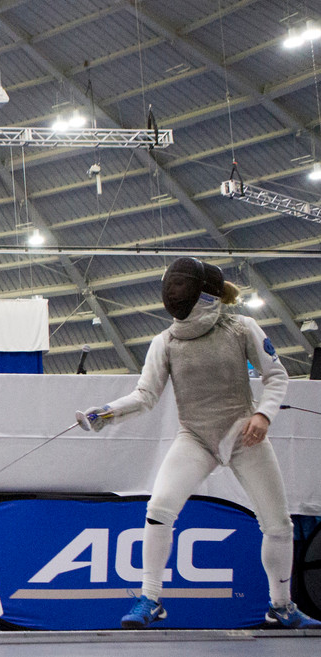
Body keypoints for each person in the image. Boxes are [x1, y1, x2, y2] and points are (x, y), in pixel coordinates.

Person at [77, 257, 320, 630]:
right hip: (195, 437)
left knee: (278, 524)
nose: (174, 293)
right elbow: (145, 396)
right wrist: (104, 414)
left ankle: (282, 605)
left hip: (243, 434)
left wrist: (264, 415)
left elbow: (275, 375)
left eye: (180, 286)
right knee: (159, 507)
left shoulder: (241, 327)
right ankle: (150, 599)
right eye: (171, 286)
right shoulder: (166, 341)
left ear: (203, 293)